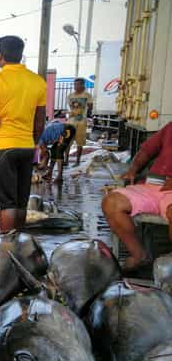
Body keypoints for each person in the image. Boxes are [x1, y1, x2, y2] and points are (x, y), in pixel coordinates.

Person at [0, 35, 46, 232]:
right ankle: (19, 241)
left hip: (1, 146)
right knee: (21, 201)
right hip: (26, 146)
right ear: (20, 56)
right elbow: (40, 121)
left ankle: (5, 247)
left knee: (7, 203)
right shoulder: (37, 81)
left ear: (0, 56)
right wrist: (33, 142)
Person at [102, 122, 172, 270]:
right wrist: (133, 169)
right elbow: (146, 151)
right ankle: (139, 255)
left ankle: (168, 271)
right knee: (111, 202)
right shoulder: (170, 128)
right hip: (151, 185)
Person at [66, 78, 93, 166]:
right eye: (75, 85)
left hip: (81, 122)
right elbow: (71, 108)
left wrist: (84, 115)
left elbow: (90, 107)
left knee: (80, 142)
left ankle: (77, 161)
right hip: (71, 121)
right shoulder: (70, 95)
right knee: (67, 141)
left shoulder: (87, 95)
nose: (76, 86)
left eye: (78, 84)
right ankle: (66, 160)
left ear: (83, 85)